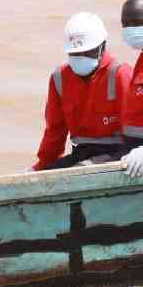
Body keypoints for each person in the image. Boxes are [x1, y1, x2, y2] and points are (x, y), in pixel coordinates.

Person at [32, 12, 131, 171]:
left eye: (87, 52)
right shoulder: (59, 78)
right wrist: (42, 167)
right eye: (75, 53)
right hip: (82, 152)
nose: (80, 57)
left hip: (119, 152)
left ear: (102, 47)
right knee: (46, 174)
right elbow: (54, 132)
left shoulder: (120, 74)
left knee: (79, 170)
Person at [118, 0, 143, 177]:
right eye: (126, 24)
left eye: (137, 23)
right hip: (132, 155)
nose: (130, 30)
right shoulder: (140, 60)